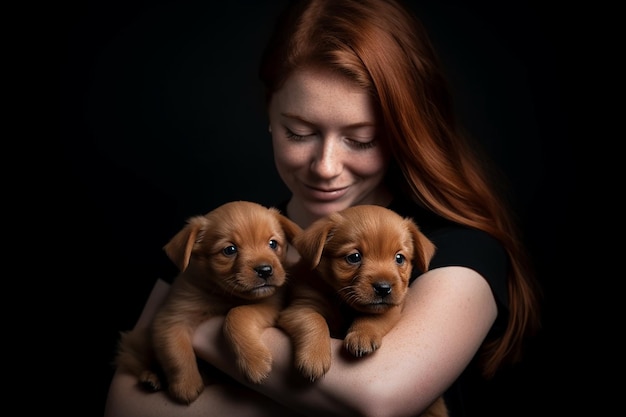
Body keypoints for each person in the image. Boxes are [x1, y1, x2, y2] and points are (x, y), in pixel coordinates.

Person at [103, 0, 541, 416]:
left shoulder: (459, 249)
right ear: (270, 115)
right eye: (299, 132)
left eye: (362, 138)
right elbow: (124, 406)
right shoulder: (220, 239)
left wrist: (200, 329)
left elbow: (380, 395)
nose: (326, 167)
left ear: (404, 133)